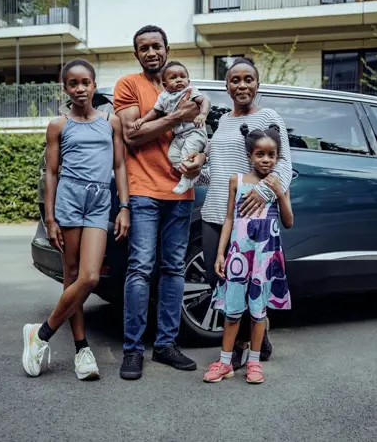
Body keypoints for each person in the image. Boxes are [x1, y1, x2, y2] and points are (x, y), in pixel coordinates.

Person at [22, 58, 130, 381]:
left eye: (86, 82)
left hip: (98, 202)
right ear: (65, 88)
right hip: (69, 201)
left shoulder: (111, 123)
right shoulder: (59, 125)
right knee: (72, 277)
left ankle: (39, 335)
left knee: (90, 277)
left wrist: (124, 206)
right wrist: (51, 218)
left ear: (94, 86)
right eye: (73, 83)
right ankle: (82, 350)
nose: (80, 88)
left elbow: (120, 166)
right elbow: (52, 173)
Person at [113, 25, 206, 380]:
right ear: (137, 54)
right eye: (144, 48)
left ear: (167, 49)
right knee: (140, 267)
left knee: (172, 270)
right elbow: (132, 135)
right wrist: (175, 117)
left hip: (181, 192)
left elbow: (200, 132)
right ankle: (133, 350)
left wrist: (201, 157)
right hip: (144, 190)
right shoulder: (128, 85)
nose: (151, 52)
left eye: (157, 46)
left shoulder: (183, 82)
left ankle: (165, 346)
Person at [193, 57, 293, 371]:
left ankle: (242, 346)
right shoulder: (222, 122)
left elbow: (285, 163)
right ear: (227, 86)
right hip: (217, 210)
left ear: (257, 84)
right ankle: (254, 339)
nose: (242, 85)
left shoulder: (268, 116)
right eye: (235, 80)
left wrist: (263, 192)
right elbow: (219, 171)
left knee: (252, 280)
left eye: (248, 79)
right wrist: (195, 174)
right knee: (219, 278)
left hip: (252, 214)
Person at [203, 123, 294, 384]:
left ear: (278, 157)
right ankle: (224, 362)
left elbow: (288, 221)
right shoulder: (237, 181)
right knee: (232, 310)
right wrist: (221, 254)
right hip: (239, 256)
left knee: (259, 312)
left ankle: (254, 363)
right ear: (249, 156)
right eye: (260, 154)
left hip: (265, 258)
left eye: (271, 155)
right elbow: (229, 219)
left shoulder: (279, 184)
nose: (266, 160)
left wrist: (278, 192)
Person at [132, 60, 211, 195]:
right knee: (173, 155)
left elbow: (205, 100)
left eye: (182, 77)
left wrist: (203, 114)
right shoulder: (163, 97)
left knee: (187, 153)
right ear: (165, 85)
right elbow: (155, 111)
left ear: (188, 80)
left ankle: (186, 180)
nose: (179, 80)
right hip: (180, 136)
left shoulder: (190, 91)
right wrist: (142, 120)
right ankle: (190, 175)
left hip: (195, 133)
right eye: (173, 78)